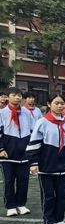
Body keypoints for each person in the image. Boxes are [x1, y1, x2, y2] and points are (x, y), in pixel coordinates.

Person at [27, 93, 65, 224]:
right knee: (48, 195)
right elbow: (34, 143)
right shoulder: (42, 122)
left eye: (62, 103)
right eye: (56, 103)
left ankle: (59, 219)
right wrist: (33, 163)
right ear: (49, 104)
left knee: (62, 195)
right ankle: (49, 221)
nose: (60, 106)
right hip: (47, 166)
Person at [0, 87, 35, 216]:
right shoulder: (2, 113)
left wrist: (31, 150)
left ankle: (21, 204)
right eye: (14, 95)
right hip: (7, 153)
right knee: (9, 180)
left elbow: (32, 130)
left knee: (23, 180)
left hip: (24, 153)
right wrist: (1, 149)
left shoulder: (26, 113)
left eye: (19, 95)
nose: (17, 97)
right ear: (7, 97)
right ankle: (10, 206)